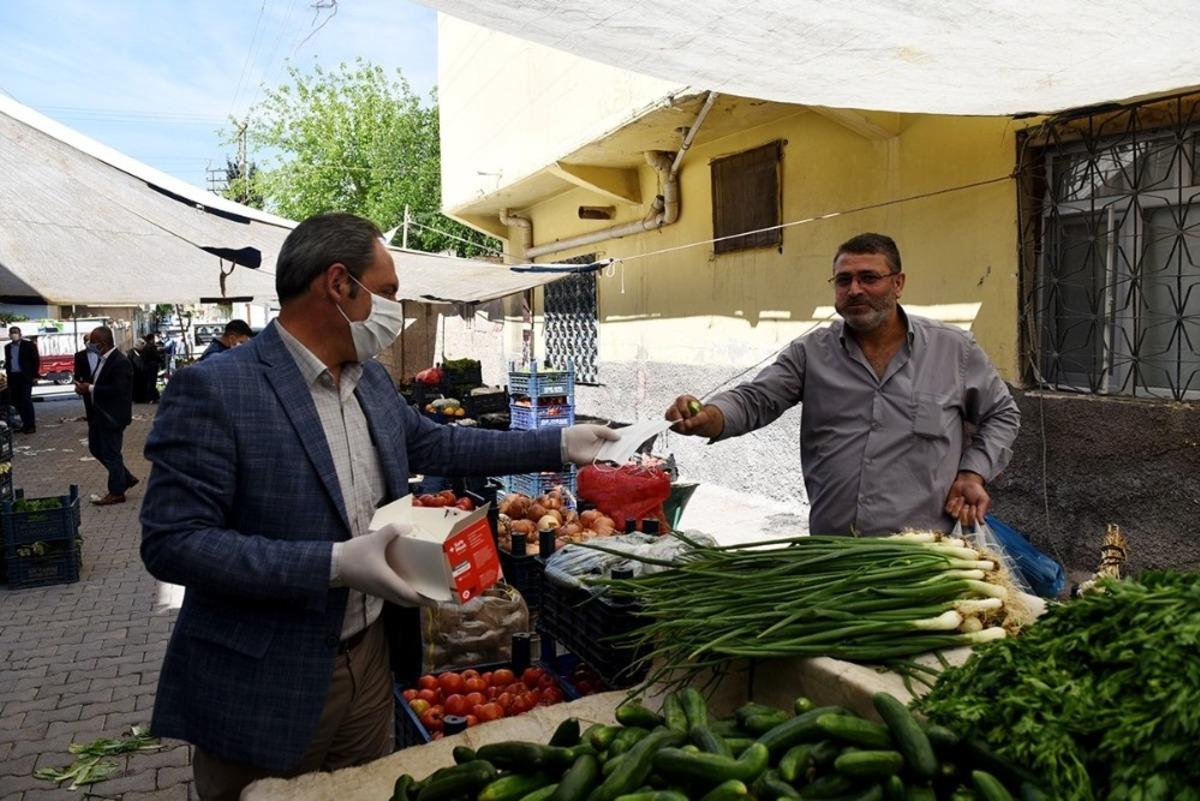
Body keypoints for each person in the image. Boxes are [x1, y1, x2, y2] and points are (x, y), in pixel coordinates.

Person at [139, 212, 618, 800]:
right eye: (387, 291)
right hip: (267, 680)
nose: (396, 306)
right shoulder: (217, 389)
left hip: (369, 660)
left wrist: (559, 442)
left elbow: (437, 442)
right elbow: (173, 542)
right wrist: (333, 563)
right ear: (339, 285)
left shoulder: (368, 381)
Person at [668, 232, 1020, 535]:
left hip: (924, 549)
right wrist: (710, 416)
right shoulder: (811, 353)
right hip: (835, 549)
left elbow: (1002, 414)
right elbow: (755, 399)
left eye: (869, 278)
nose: (854, 290)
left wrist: (973, 473)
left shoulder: (953, 350)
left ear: (898, 283)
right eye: (843, 280)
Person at [74, 326, 138, 506]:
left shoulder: (120, 362)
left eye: (92, 343)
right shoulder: (104, 360)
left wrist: (91, 388)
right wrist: (85, 387)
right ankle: (125, 477)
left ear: (101, 344)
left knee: (111, 453)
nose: (90, 346)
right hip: (99, 414)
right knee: (95, 447)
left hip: (112, 416)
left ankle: (117, 491)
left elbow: (119, 389)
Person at [5, 325, 41, 433]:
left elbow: (36, 360)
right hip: (13, 377)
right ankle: (24, 424)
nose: (13, 334)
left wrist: (34, 376)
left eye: (15, 332)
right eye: (11, 332)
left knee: (26, 400)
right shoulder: (8, 347)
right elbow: (9, 361)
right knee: (17, 402)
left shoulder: (28, 345)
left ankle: (31, 425)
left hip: (25, 377)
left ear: (20, 334)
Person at [138, 333, 163, 403]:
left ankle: (151, 397)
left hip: (146, 367)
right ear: (152, 339)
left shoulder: (145, 346)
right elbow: (156, 356)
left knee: (149, 382)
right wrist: (161, 359)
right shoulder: (151, 346)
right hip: (152, 367)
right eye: (154, 339)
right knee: (151, 383)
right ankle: (151, 398)